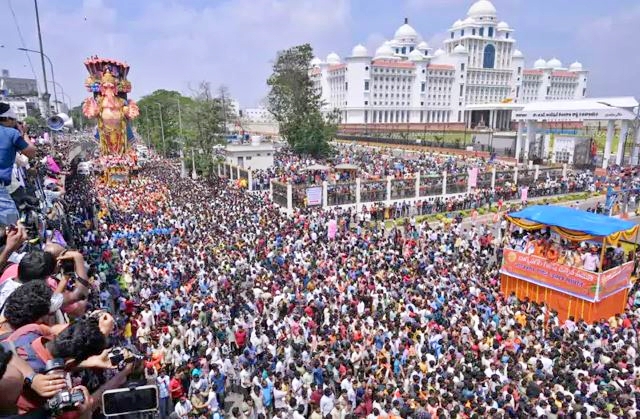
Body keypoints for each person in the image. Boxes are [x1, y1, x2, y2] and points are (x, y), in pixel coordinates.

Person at [0, 103, 36, 225]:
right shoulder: (11, 133)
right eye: (14, 120)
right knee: (13, 225)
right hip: (2, 192)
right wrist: (23, 133)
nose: (15, 123)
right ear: (6, 118)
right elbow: (31, 152)